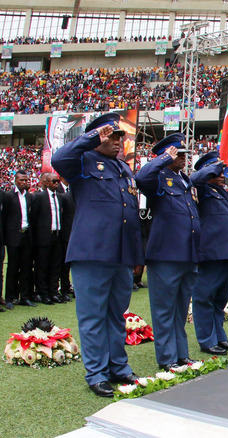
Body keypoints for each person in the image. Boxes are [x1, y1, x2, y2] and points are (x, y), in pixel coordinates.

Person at [51, 112, 143, 397]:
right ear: (98, 135)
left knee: (116, 315)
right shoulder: (82, 161)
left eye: (120, 137)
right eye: (113, 136)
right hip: (91, 251)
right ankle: (96, 373)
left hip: (121, 253)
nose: (118, 142)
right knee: (92, 317)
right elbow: (58, 160)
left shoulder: (123, 169)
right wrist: (92, 137)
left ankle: (119, 367)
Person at [136, 133, 200, 371]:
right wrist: (162, 159)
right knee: (164, 310)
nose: (184, 157)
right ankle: (167, 358)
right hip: (165, 255)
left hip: (188, 254)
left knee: (180, 310)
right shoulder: (158, 177)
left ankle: (181, 354)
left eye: (184, 153)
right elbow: (141, 177)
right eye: (178, 154)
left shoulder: (185, 180)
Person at [190, 151, 228, 356]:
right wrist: (213, 167)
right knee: (205, 297)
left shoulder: (223, 193)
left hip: (227, 253)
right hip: (211, 253)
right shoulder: (201, 189)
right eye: (217, 170)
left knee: (220, 299)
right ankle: (206, 339)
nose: (222, 174)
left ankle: (219, 337)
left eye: (222, 170)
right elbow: (194, 179)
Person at [29, 172, 68, 305]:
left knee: (55, 266)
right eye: (53, 181)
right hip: (44, 237)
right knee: (42, 266)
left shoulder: (60, 197)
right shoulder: (39, 197)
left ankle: (54, 292)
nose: (56, 183)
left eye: (57, 181)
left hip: (57, 235)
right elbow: (33, 218)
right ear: (46, 183)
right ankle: (43, 293)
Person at [3, 170, 35, 308]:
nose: (24, 182)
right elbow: (4, 218)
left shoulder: (29, 196)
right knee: (13, 268)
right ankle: (10, 298)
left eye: (26, 180)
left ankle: (24, 296)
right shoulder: (8, 196)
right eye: (22, 180)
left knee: (26, 267)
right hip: (13, 236)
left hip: (27, 235)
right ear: (15, 181)